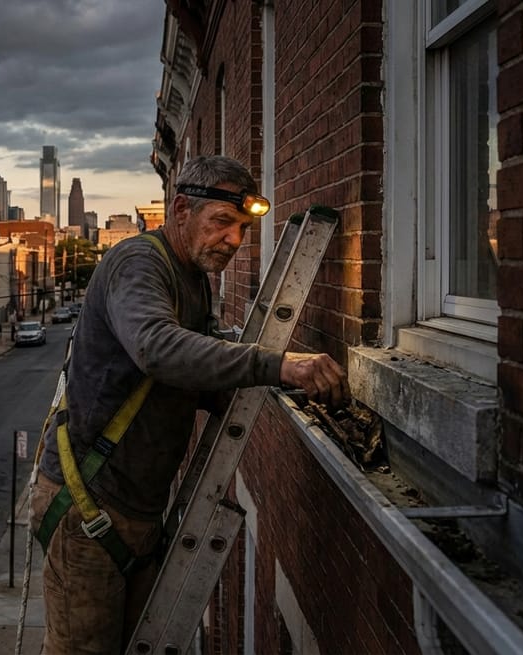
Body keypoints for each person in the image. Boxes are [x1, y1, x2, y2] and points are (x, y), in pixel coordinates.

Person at [30, 155, 348, 654]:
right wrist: (280, 365)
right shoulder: (139, 263)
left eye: (243, 228)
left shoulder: (192, 277)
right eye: (222, 222)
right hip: (89, 507)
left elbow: (190, 369)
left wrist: (260, 378)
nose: (234, 240)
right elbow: (157, 347)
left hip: (135, 510)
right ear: (180, 210)